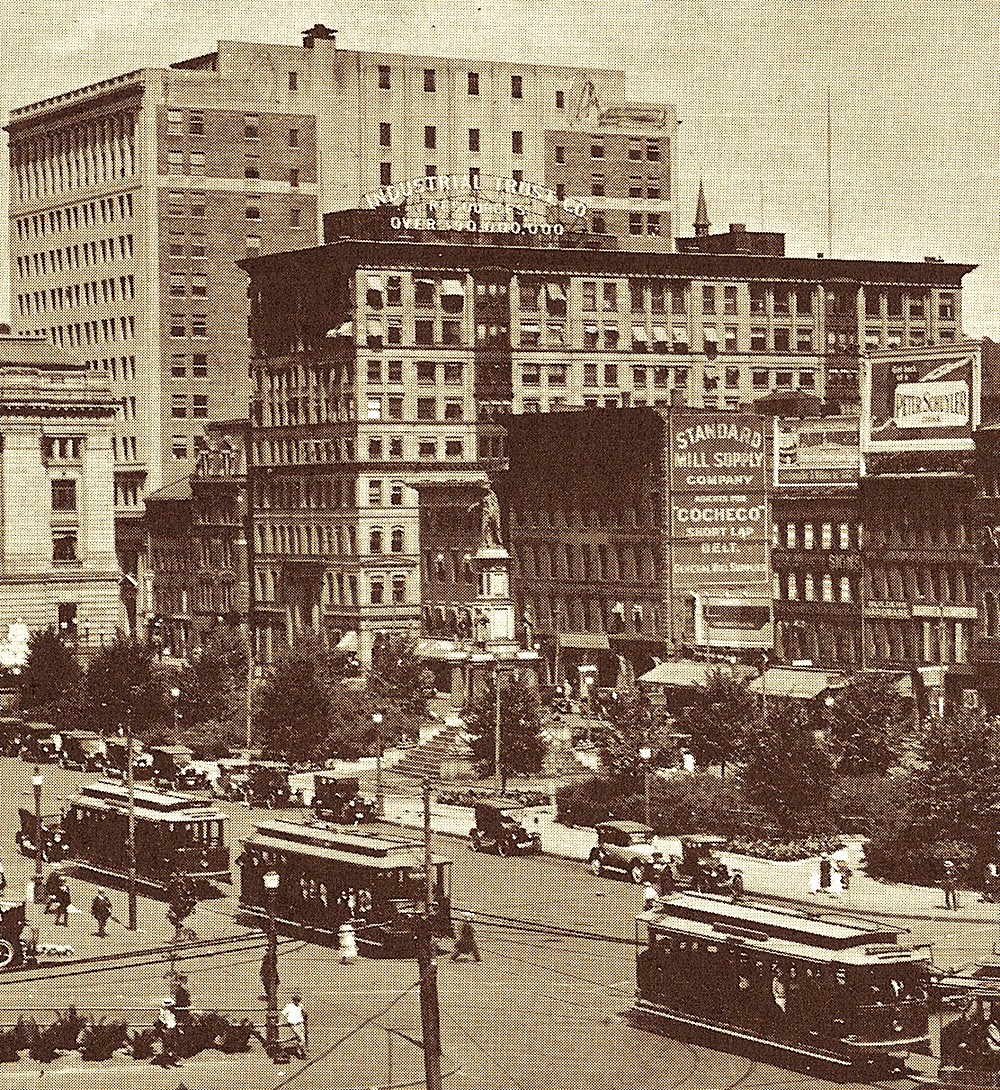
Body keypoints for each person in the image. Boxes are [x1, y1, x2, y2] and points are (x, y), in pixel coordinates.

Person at [154, 997, 180, 1066]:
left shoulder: (171, 1011)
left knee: (174, 1045)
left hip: (173, 1028)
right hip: (167, 1029)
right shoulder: (162, 1011)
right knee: (167, 1045)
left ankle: (174, 1060)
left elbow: (174, 1020)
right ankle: (166, 1061)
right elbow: (161, 1020)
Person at [281, 994, 307, 1058]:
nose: (297, 1002)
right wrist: (285, 1020)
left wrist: (304, 1014)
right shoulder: (289, 1006)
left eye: (298, 1001)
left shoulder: (300, 1006)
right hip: (294, 1024)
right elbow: (283, 1013)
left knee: (300, 1039)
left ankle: (300, 1052)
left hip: (300, 1023)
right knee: (302, 1039)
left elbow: (304, 1013)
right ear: (293, 1000)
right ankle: (301, 1052)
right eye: (296, 1000)